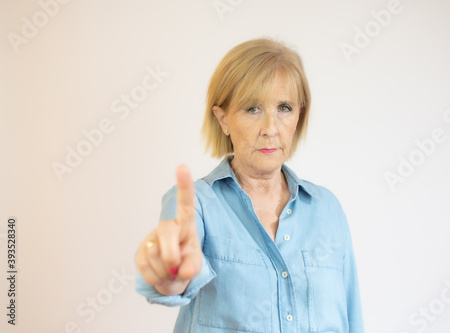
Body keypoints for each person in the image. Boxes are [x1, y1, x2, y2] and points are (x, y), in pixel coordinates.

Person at [135, 38, 364, 333]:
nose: (270, 128)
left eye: (284, 107)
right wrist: (171, 275)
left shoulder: (327, 208)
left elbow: (351, 314)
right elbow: (172, 281)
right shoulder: (196, 204)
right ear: (223, 119)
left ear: (299, 115)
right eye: (252, 109)